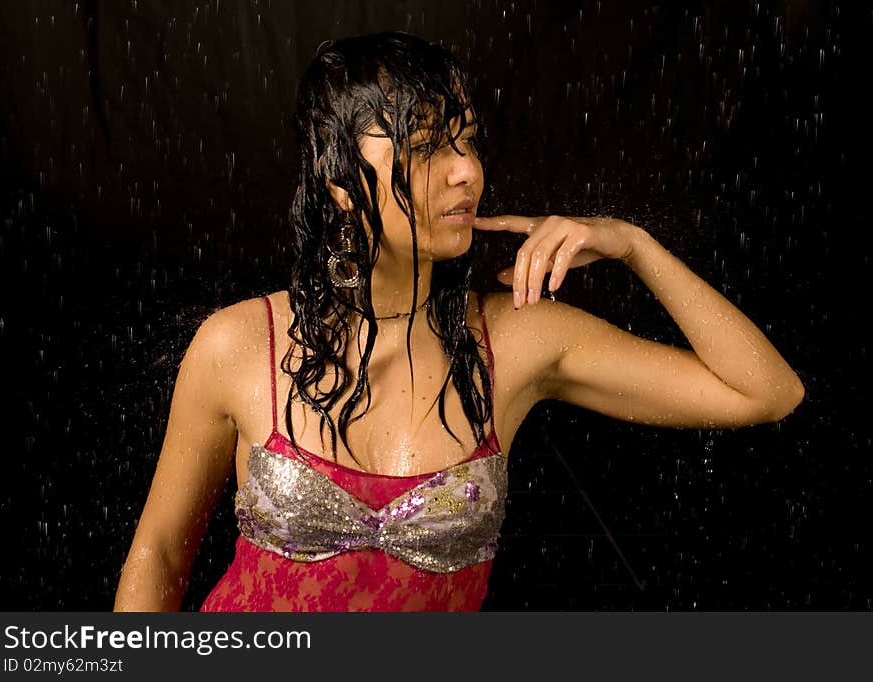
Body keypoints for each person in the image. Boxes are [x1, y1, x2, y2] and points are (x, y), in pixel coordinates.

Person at [113, 32, 804, 612]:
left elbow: (765, 392)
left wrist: (633, 245)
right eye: (427, 147)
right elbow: (160, 550)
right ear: (336, 180)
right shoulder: (238, 345)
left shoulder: (518, 342)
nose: (466, 171)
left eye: (468, 142)